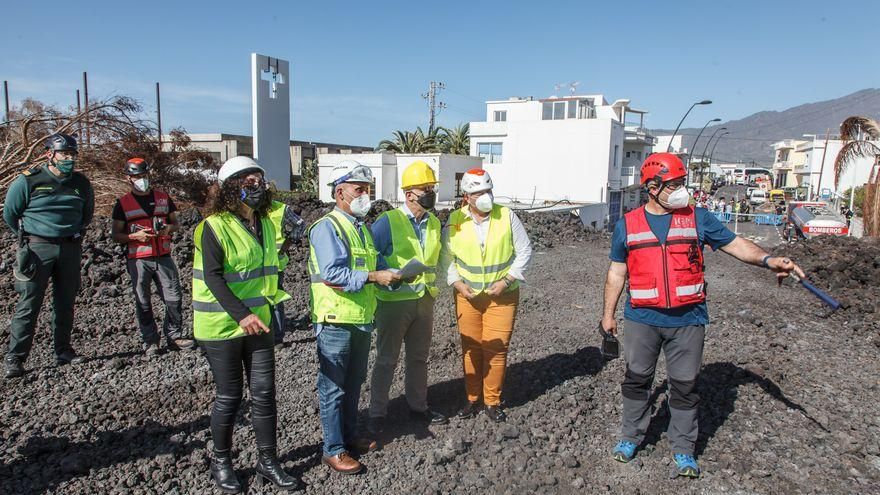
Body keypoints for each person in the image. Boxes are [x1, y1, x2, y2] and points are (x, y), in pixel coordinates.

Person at [601, 153, 805, 478]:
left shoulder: (698, 218)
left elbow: (737, 245)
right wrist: (607, 315)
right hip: (642, 319)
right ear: (652, 187)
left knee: (684, 386)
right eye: (676, 184)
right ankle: (630, 437)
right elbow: (616, 273)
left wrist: (769, 260)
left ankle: (683, 449)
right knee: (637, 381)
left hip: (688, 321)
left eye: (683, 183)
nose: (683, 190)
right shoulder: (628, 225)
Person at [192, 156, 298, 492]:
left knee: (265, 395)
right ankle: (221, 462)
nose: (257, 187)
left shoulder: (266, 223)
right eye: (248, 182)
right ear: (230, 188)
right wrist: (242, 314)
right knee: (230, 396)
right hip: (222, 326)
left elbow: (270, 264)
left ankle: (268, 462)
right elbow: (213, 276)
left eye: (260, 181)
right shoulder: (214, 226)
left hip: (259, 323)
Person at [309, 160, 400, 474]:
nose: (366, 195)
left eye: (368, 190)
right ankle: (333, 449)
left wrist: (389, 276)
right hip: (336, 320)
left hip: (360, 319)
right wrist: (376, 276)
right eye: (359, 189)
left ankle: (348, 436)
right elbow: (333, 274)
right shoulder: (327, 227)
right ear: (339, 193)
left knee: (353, 383)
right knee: (333, 388)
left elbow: (363, 270)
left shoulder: (360, 229)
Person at [440, 168, 532, 423]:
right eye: (478, 193)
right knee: (471, 348)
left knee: (495, 349)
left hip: (501, 295)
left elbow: (524, 251)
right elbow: (447, 257)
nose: (485, 197)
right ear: (466, 197)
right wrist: (456, 283)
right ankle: (471, 398)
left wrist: (508, 280)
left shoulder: (507, 216)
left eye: (488, 191)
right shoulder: (455, 220)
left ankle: (492, 401)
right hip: (467, 295)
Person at [3, 133, 94, 379]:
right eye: (64, 154)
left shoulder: (81, 183)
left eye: (72, 154)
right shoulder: (28, 181)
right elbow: (11, 214)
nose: (69, 158)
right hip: (37, 249)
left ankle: (63, 350)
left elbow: (86, 215)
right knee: (29, 303)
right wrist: (31, 237)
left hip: (69, 248)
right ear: (49, 154)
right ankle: (16, 357)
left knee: (65, 303)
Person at [368, 161, 448, 435]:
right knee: (386, 359)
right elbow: (369, 257)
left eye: (431, 188)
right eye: (425, 188)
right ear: (408, 194)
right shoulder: (386, 222)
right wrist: (388, 274)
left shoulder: (435, 222)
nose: (430, 192)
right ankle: (377, 413)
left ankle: (418, 407)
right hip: (393, 301)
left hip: (424, 299)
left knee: (419, 357)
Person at [111, 158, 194, 357]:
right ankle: (150, 341)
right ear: (129, 178)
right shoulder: (122, 204)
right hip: (138, 259)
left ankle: (174, 336)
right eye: (138, 176)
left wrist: (167, 228)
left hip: (163, 256)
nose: (142, 179)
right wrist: (134, 236)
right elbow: (116, 235)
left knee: (174, 297)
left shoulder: (163, 198)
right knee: (143, 301)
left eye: (144, 175)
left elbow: (175, 223)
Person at [266, 199, 305, 347]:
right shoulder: (248, 209)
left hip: (274, 262)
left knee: (275, 298)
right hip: (257, 262)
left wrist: (285, 246)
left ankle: (276, 337)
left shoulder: (281, 209)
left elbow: (300, 225)